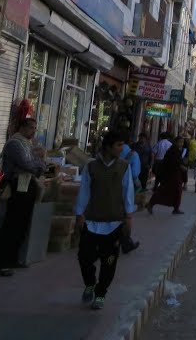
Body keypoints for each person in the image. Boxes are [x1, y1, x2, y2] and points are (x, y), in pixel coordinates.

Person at [75, 132, 135, 311]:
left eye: (122, 145)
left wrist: (129, 217)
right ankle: (90, 284)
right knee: (84, 257)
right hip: (92, 221)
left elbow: (128, 192)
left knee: (109, 261)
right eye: (118, 145)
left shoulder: (124, 167)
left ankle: (100, 294)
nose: (122, 148)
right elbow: (84, 191)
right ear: (108, 147)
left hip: (114, 222)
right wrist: (79, 214)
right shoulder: (91, 167)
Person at [0, 117, 48, 276]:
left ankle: (13, 259)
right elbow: (28, 164)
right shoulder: (15, 144)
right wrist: (39, 165)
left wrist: (39, 163)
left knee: (21, 224)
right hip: (16, 186)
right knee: (11, 224)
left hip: (27, 186)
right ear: (22, 128)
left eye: (35, 128)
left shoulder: (27, 144)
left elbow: (37, 161)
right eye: (31, 128)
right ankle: (1, 263)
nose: (33, 132)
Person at [146, 137, 186, 214]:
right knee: (164, 191)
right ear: (176, 142)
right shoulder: (172, 151)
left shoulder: (177, 150)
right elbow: (172, 163)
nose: (181, 144)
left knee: (177, 192)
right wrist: (181, 166)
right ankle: (151, 203)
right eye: (180, 142)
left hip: (175, 175)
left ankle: (176, 208)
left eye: (182, 142)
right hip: (170, 175)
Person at [118, 139, 142, 254]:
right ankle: (126, 242)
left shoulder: (105, 156)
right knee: (126, 216)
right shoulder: (133, 154)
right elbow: (135, 173)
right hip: (126, 188)